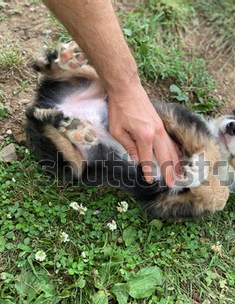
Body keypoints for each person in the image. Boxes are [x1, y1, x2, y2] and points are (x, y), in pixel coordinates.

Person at [42, 0, 180, 188]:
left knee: (76, 165)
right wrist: (125, 86)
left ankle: (52, 117)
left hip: (69, 113)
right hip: (75, 100)